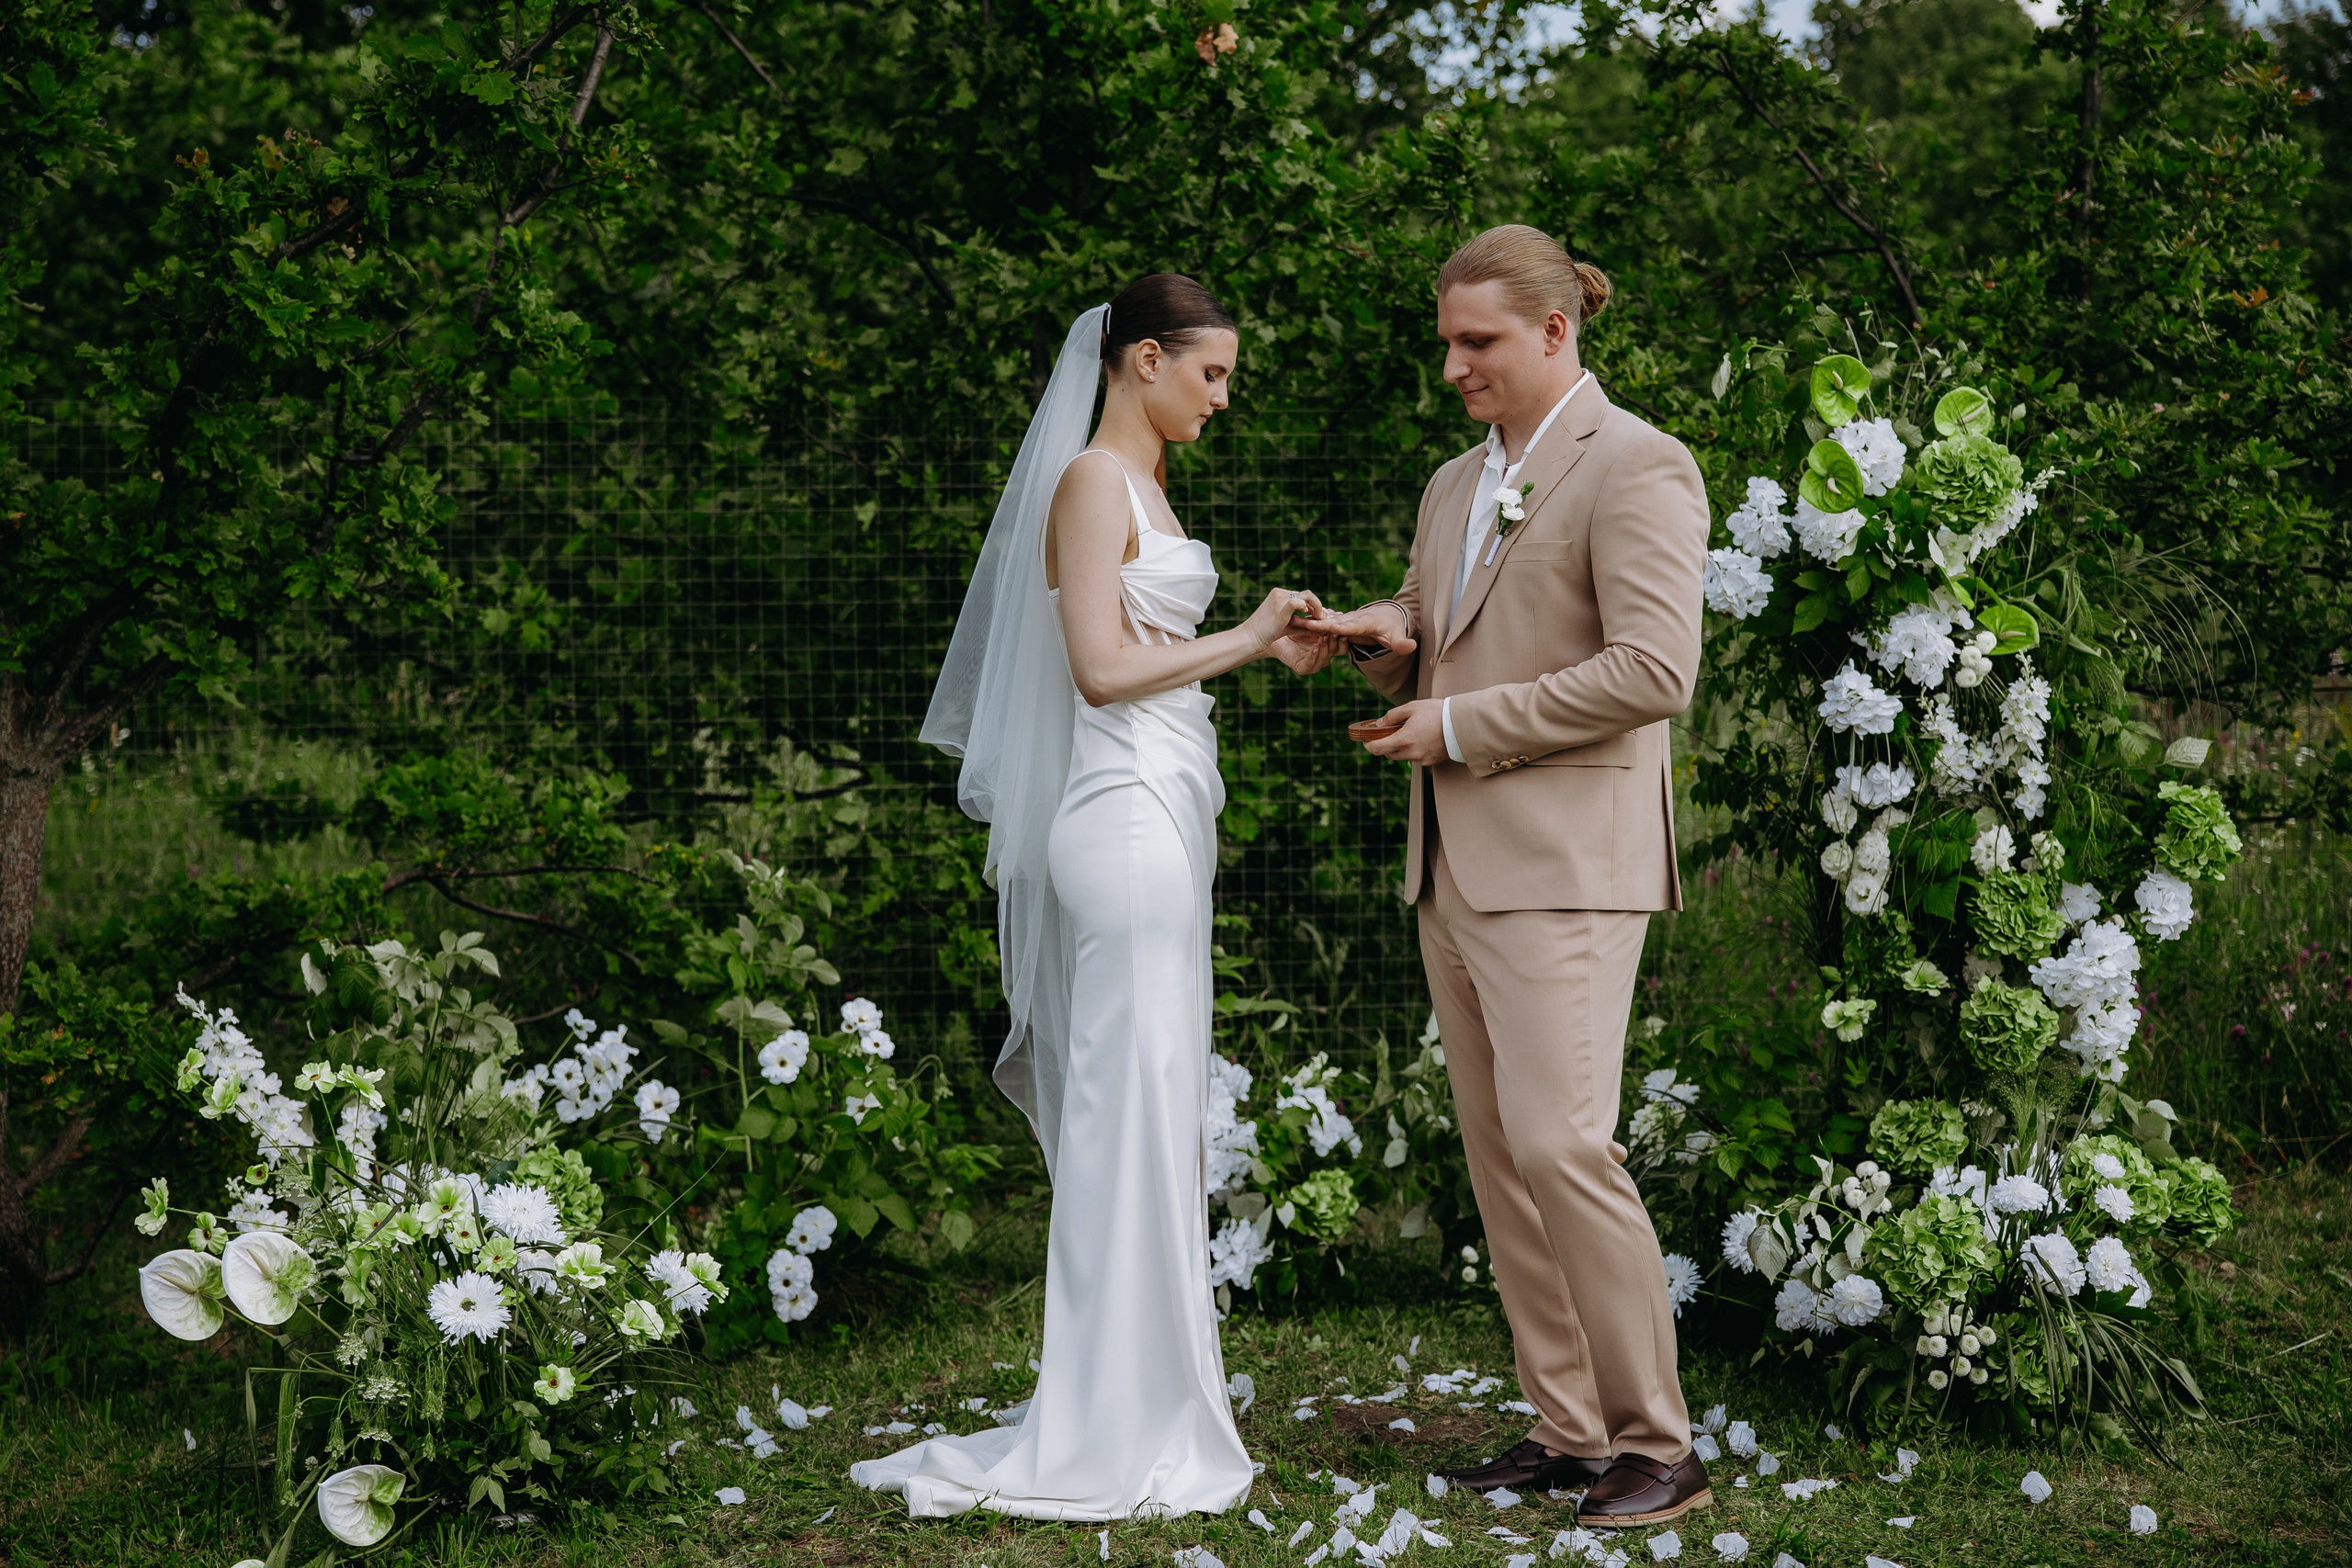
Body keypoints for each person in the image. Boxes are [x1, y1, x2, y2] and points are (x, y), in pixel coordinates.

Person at [852, 274, 1329, 1520]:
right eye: (1211, 374)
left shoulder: (1151, 486)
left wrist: (1276, 638)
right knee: (1125, 1109)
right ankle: (1103, 1422)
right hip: (1113, 820)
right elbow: (1107, 672)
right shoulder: (1085, 484)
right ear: (1144, 361)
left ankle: (1158, 1400)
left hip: (1158, 811)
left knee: (1159, 1105)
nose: (1222, 399)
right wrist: (1255, 633)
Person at [1302, 226, 1713, 1528]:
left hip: (1569, 865)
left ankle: (1661, 1445)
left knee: (1562, 1142)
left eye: (1476, 343)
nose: (1453, 368)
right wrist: (1380, 642)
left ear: (1554, 331)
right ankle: (1571, 1433)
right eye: (1446, 344)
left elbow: (1655, 670)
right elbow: (1446, 630)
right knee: (1501, 1159)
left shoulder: (1641, 466)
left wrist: (1462, 726)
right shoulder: (1450, 483)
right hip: (1452, 864)